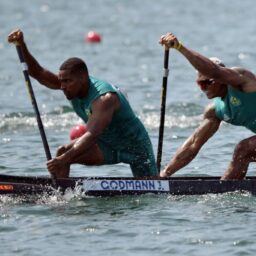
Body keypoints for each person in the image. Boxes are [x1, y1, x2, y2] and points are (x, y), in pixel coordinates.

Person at [8, 29, 157, 178]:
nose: (62, 86)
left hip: (136, 148)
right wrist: (22, 45)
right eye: (61, 81)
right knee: (63, 151)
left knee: (153, 189)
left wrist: (64, 160)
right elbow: (38, 73)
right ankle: (60, 195)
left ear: (83, 78)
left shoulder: (104, 98)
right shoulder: (71, 88)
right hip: (106, 145)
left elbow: (91, 134)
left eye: (67, 81)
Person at [159, 32, 256, 180]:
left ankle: (225, 194)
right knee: (243, 152)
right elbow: (193, 145)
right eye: (200, 83)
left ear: (221, 79)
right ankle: (226, 194)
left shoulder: (243, 81)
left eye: (207, 82)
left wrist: (179, 47)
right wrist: (164, 175)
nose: (203, 88)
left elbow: (214, 71)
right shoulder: (214, 111)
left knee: (243, 149)